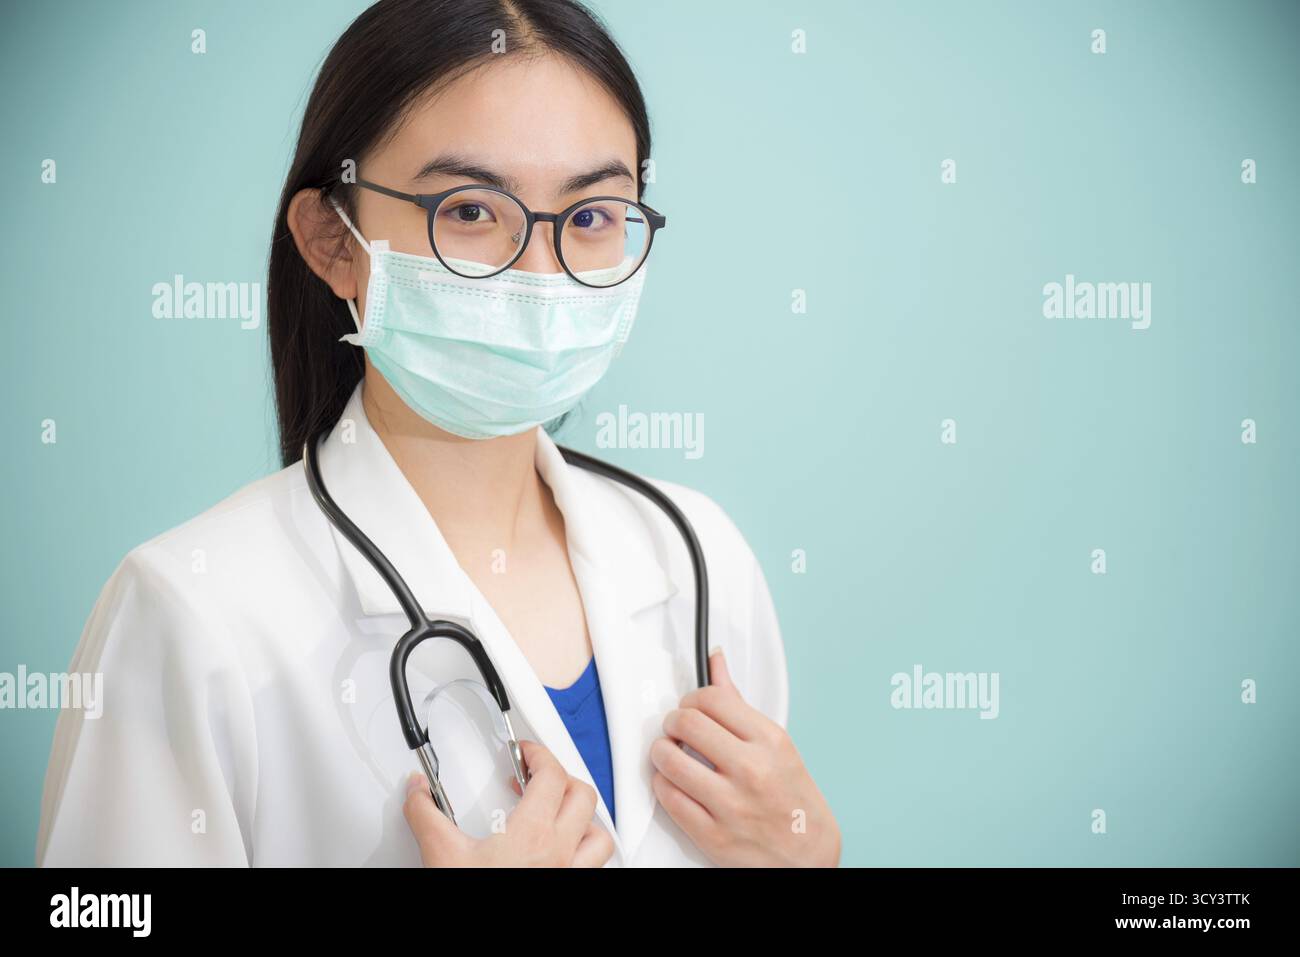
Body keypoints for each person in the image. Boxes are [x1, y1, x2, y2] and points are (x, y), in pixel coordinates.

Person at [36, 0, 840, 868]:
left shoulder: (699, 559)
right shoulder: (192, 612)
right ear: (332, 240)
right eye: (469, 210)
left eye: (593, 215)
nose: (539, 275)